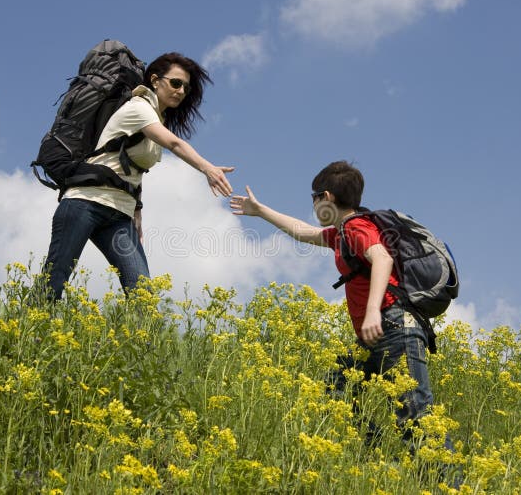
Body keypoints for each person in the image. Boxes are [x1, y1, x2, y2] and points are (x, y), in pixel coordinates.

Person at [230, 160, 445, 450]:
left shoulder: (357, 227)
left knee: (416, 419)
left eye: (314, 197)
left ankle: (447, 482)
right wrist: (260, 211)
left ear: (327, 197)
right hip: (377, 334)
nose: (313, 205)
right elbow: (304, 232)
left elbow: (382, 258)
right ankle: (377, 452)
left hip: (393, 327)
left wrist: (372, 313)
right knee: (334, 386)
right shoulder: (343, 232)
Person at [43, 52, 234, 300]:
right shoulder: (139, 107)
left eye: (185, 87)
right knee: (54, 281)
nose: (180, 91)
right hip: (84, 202)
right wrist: (207, 168)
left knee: (142, 294)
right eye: (176, 83)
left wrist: (137, 211)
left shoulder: (157, 118)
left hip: (118, 214)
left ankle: (143, 340)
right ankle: (29, 335)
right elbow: (175, 144)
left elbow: (134, 168)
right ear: (155, 80)